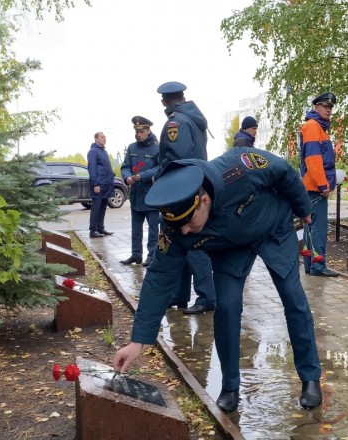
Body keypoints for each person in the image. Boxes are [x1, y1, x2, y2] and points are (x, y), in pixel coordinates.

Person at [112, 147, 323, 413]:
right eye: (179, 227)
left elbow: (283, 171)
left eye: (189, 223)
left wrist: (304, 209)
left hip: (272, 229)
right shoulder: (176, 226)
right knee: (227, 306)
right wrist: (138, 340)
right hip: (229, 248)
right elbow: (159, 278)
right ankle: (230, 386)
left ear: (204, 201)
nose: (185, 232)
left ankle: (310, 377)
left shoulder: (240, 167)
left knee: (293, 299)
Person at [155, 81, 216, 315]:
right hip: (193, 186)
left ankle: (206, 296)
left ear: (164, 101)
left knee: (192, 243)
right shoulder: (192, 118)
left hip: (182, 190)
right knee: (179, 240)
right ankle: (179, 295)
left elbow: (175, 158)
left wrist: (158, 177)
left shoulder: (176, 122)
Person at [300, 92, 338, 277]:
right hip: (315, 187)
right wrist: (323, 185)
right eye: (325, 106)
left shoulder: (315, 127)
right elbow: (313, 160)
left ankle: (310, 265)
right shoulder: (313, 126)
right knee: (318, 228)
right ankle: (318, 266)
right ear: (316, 107)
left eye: (331, 107)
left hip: (311, 186)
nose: (329, 110)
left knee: (310, 226)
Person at [120, 116, 160, 267]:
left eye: (142, 131)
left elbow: (160, 167)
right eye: (137, 132)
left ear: (148, 131)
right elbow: (125, 167)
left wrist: (143, 176)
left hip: (151, 195)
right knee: (136, 228)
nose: (139, 134)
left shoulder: (157, 148)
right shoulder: (132, 148)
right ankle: (136, 255)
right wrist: (127, 177)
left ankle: (152, 255)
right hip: (136, 195)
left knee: (153, 229)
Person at [86, 132, 115, 238]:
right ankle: (93, 230)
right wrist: (95, 184)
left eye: (105, 137)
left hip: (106, 185)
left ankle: (100, 228)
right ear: (96, 139)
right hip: (98, 185)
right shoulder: (93, 151)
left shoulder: (104, 152)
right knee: (96, 208)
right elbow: (92, 169)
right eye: (102, 137)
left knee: (103, 207)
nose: (104, 139)